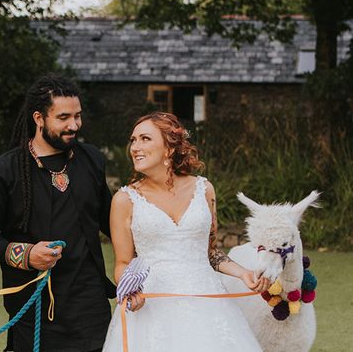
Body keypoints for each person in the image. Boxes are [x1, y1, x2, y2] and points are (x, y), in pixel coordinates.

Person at [101, 111, 270, 351]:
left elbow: (211, 252)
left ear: (169, 148)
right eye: (133, 140)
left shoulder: (204, 189)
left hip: (206, 303)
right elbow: (123, 262)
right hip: (151, 307)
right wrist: (130, 288)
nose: (135, 147)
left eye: (145, 139)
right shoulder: (124, 199)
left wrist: (243, 273)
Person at [0, 74, 115, 352]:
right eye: (63, 117)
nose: (74, 125)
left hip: (90, 304)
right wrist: (26, 255)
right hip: (32, 305)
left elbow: (110, 221)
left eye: (78, 116)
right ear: (39, 118)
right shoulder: (5, 171)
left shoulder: (92, 159)